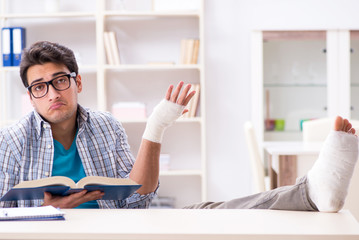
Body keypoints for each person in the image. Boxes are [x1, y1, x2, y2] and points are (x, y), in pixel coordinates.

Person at [0, 41, 358, 213]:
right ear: (31, 97)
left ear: (79, 83)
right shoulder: (12, 142)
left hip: (119, 230)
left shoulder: (106, 126)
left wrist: (156, 127)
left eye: (60, 80)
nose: (51, 93)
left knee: (213, 213)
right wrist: (49, 213)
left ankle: (310, 194)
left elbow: (139, 198)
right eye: (39, 87)